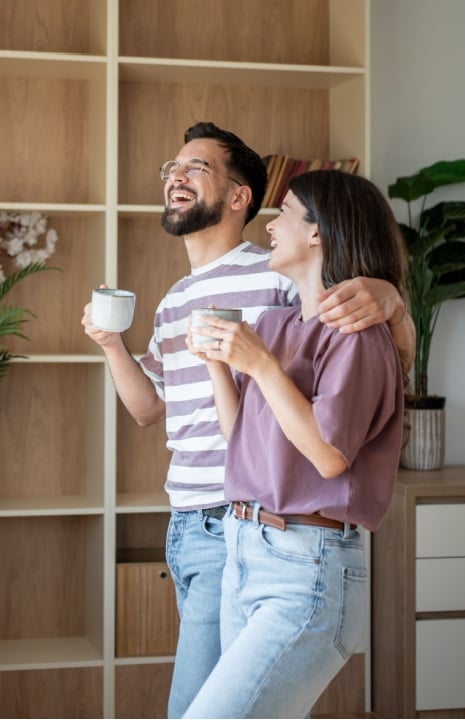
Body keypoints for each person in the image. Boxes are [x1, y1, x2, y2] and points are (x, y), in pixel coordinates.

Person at [79, 122, 414, 717]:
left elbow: (361, 334)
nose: (174, 177)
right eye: (170, 169)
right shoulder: (175, 300)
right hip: (198, 521)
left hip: (257, 519)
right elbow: (148, 410)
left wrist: (388, 295)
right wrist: (111, 345)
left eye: (195, 168)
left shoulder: (275, 277)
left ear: (239, 197)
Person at [181, 169, 407, 718]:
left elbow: (329, 455)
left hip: (306, 569)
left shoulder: (357, 337)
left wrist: (258, 364)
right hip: (245, 549)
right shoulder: (276, 324)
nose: (270, 224)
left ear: (318, 234)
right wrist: (219, 363)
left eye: (285, 211)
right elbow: (241, 440)